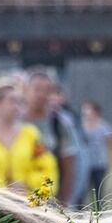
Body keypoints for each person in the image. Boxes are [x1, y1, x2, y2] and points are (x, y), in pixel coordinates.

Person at [0, 77, 57, 192]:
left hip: (24, 200)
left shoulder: (30, 134)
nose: (17, 106)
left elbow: (47, 167)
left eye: (20, 102)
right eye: (12, 101)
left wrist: (27, 183)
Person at [25, 69, 82, 206]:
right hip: (17, 196)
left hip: (48, 199)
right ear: (26, 90)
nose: (41, 95)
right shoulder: (15, 120)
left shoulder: (59, 123)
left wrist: (63, 202)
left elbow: (69, 165)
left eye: (47, 90)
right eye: (37, 89)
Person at [80, 100, 112, 203]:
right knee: (81, 192)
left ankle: (99, 211)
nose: (84, 112)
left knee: (98, 192)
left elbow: (111, 146)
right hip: (84, 164)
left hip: (99, 164)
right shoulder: (79, 127)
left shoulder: (104, 127)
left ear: (95, 111)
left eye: (87, 109)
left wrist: (110, 162)